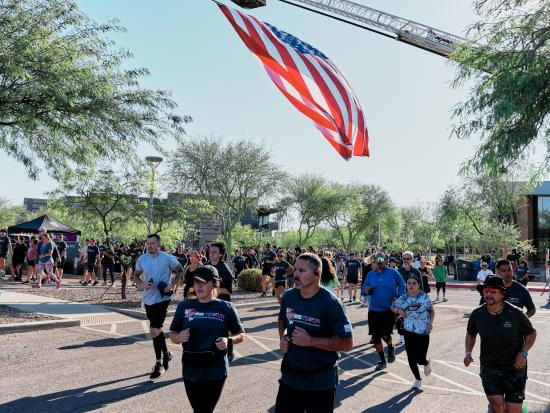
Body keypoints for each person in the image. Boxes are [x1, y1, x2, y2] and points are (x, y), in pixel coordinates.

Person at [276, 253, 353, 413]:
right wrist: (283, 338)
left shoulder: (331, 303)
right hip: (290, 377)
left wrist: (310, 341)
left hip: (320, 382)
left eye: (302, 271)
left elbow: (347, 343)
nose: (295, 274)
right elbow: (282, 319)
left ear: (317, 273)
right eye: (295, 269)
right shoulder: (289, 297)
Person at [170, 265, 245, 413]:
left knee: (204, 410)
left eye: (203, 282)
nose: (199, 285)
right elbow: (173, 335)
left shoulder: (226, 307)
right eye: (196, 281)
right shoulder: (184, 306)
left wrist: (228, 341)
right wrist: (179, 336)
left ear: (215, 284)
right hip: (191, 368)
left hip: (215, 370)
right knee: (198, 408)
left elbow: (241, 334)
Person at [465, 276, 537, 413]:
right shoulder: (477, 314)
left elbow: (531, 334)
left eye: (493, 292)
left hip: (515, 368)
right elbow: (471, 333)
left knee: (513, 409)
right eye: (486, 291)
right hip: (489, 366)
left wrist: (523, 353)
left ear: (502, 294)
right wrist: (468, 353)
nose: (488, 294)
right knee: (497, 406)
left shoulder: (516, 313)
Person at [133, 233, 185, 380]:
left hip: (163, 297)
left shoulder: (167, 258)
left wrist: (171, 285)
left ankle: (158, 364)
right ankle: (167, 354)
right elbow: (135, 276)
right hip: (148, 298)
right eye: (148, 243)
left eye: (153, 243)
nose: (150, 246)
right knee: (157, 330)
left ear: (158, 245)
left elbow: (181, 270)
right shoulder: (142, 259)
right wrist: (141, 284)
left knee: (153, 329)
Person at [362, 252, 406, 370]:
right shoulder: (370, 275)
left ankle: (390, 346)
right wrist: (366, 290)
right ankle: (382, 361)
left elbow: (402, 285)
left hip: (389, 309)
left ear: (386, 260)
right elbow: (363, 290)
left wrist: (398, 296)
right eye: (377, 260)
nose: (380, 262)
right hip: (373, 309)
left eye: (382, 259)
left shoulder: (393, 272)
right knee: (376, 338)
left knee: (385, 334)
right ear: (374, 261)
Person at [392, 274, 434, 390]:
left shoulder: (424, 298)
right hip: (408, 331)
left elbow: (431, 311)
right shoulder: (403, 298)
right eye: (409, 283)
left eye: (414, 283)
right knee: (411, 358)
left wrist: (430, 322)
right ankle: (418, 380)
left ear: (418, 285)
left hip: (423, 332)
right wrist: (398, 310)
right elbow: (392, 307)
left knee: (420, 359)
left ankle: (426, 363)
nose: (411, 285)